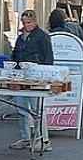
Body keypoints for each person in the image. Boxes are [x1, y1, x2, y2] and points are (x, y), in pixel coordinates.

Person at [10, 9, 54, 151]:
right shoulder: (21, 37)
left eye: (28, 22)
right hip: (22, 76)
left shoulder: (42, 37)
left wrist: (44, 75)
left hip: (37, 76)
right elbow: (15, 55)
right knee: (21, 108)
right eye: (24, 23)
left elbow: (48, 58)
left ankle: (43, 140)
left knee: (37, 109)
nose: (26, 25)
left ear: (35, 22)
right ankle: (25, 137)